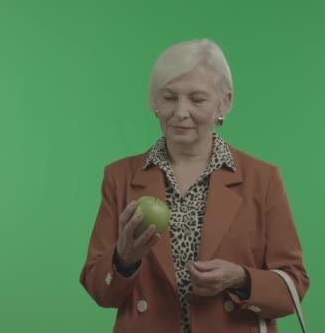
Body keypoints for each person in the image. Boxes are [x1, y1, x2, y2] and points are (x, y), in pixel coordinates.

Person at [79, 39, 310, 333]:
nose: (180, 112)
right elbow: (100, 291)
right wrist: (123, 259)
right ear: (155, 102)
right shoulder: (119, 177)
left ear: (223, 102)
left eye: (197, 99)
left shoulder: (262, 179)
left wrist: (240, 278)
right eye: (169, 97)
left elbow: (294, 285)